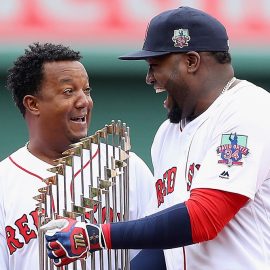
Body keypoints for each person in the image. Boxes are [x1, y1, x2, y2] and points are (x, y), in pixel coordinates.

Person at [41, 6, 270, 270]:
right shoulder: (167, 134)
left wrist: (96, 235)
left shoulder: (249, 109)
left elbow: (205, 217)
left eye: (154, 66)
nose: (149, 78)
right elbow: (162, 249)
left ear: (191, 62)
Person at [0, 42, 157, 270]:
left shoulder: (126, 166)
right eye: (68, 91)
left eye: (87, 90)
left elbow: (160, 249)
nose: (84, 101)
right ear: (33, 104)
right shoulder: (5, 181)